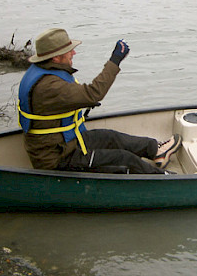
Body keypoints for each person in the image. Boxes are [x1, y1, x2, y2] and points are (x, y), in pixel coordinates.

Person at [18, 28, 181, 174]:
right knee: (122, 159)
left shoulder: (42, 71)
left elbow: (65, 101)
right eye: (69, 51)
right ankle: (162, 179)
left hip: (65, 143)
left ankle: (156, 150)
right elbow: (94, 93)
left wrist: (81, 101)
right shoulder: (49, 86)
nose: (73, 53)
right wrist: (115, 61)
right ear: (55, 58)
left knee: (109, 137)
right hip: (58, 158)